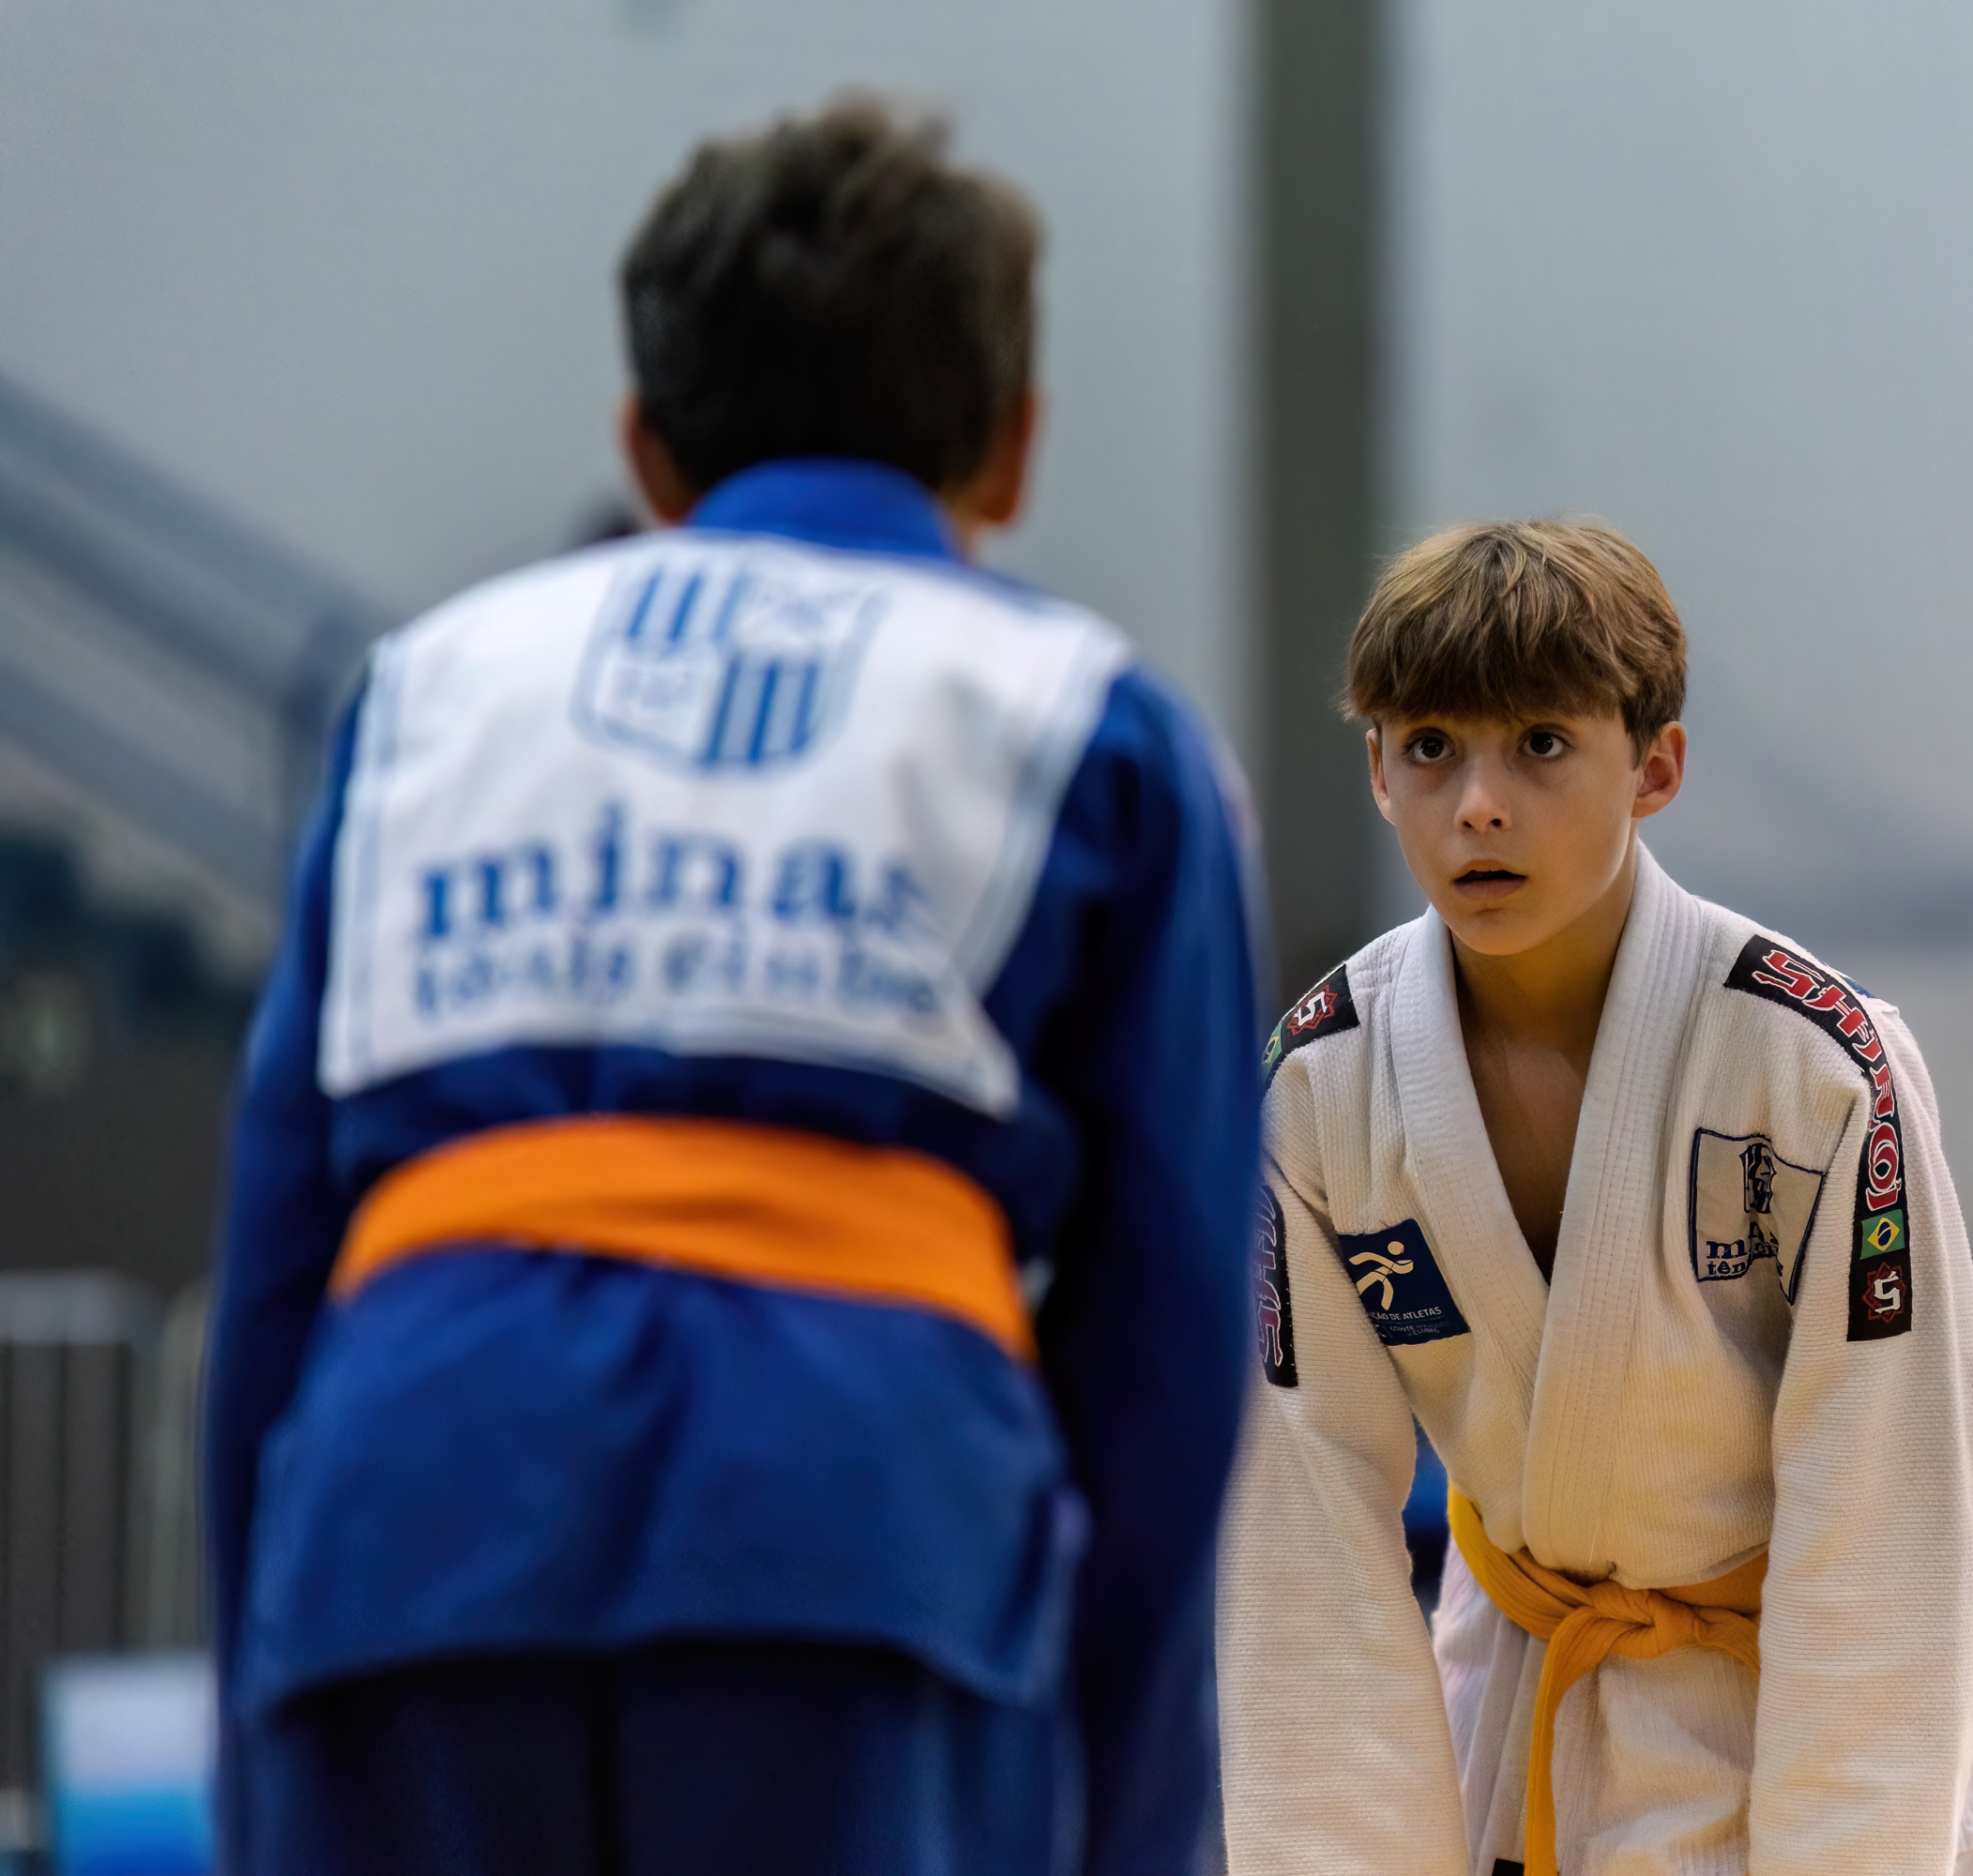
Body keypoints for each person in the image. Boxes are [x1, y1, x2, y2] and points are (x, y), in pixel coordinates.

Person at [205, 98, 1262, 1876]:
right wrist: (1130, 1821)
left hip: (408, 1522)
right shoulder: (1095, 726)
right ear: (1012, 452)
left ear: (648, 452)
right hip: (859, 1541)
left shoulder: (421, 696)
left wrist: (263, 1731)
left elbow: (271, 1284)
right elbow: (1168, 1353)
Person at [1218, 520, 1973, 1876]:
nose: (1478, 805)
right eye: (1431, 745)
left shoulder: (1815, 1066)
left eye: (1541, 745)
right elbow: (1304, 1549)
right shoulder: (1324, 1086)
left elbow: (1885, 1519)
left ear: (1655, 766)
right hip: (1529, 1693)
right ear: (1376, 769)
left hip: (1828, 1709)